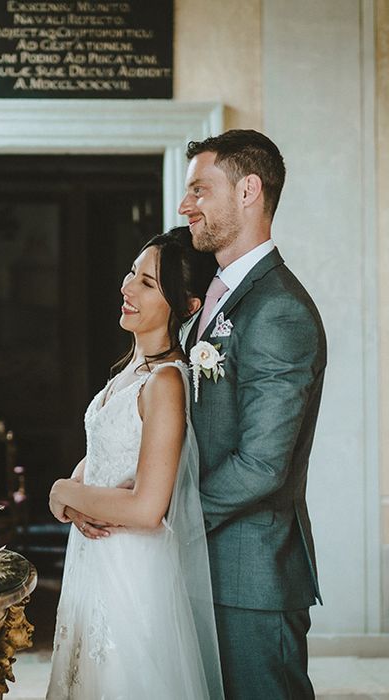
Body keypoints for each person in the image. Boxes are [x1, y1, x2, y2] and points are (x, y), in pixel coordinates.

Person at [179, 129, 327, 699]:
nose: (185, 205)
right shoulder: (217, 297)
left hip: (252, 577)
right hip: (211, 566)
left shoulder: (278, 308)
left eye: (199, 189)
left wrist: (174, 522)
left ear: (248, 190)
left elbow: (263, 465)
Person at [46, 227, 224, 699]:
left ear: (187, 306)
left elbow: (148, 509)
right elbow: (100, 460)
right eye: (131, 274)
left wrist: (64, 493)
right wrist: (71, 496)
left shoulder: (166, 382)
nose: (127, 287)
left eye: (147, 283)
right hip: (93, 557)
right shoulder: (130, 370)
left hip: (131, 569)